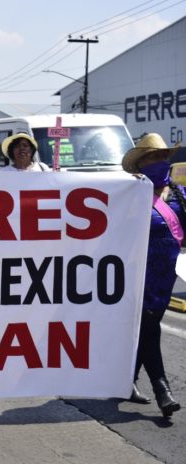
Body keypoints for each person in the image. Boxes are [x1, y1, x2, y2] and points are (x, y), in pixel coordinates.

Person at [122, 133, 182, 419]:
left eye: (162, 157)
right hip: (136, 273)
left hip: (167, 275)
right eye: (153, 157)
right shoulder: (131, 193)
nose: (159, 161)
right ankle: (162, 390)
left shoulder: (180, 194)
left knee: (146, 328)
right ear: (141, 163)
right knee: (149, 328)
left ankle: (125, 380)